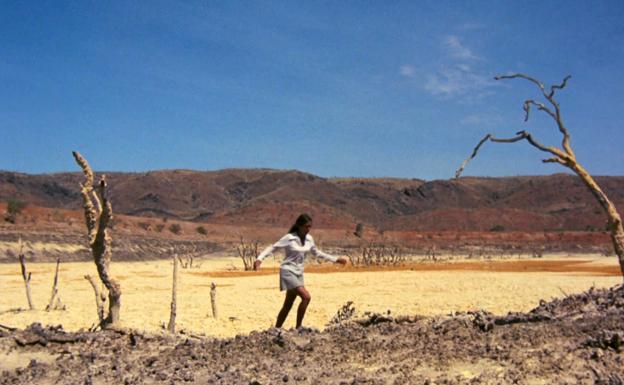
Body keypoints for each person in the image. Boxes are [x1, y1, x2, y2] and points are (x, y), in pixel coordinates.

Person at [254, 213, 347, 329]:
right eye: (306, 226)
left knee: (287, 305)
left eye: (310, 227)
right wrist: (259, 259)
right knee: (306, 297)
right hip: (288, 271)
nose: (308, 229)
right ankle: (299, 328)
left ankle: (276, 329)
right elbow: (273, 247)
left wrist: (336, 259)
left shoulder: (309, 239)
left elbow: (317, 253)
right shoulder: (289, 238)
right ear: (299, 225)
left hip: (299, 273)